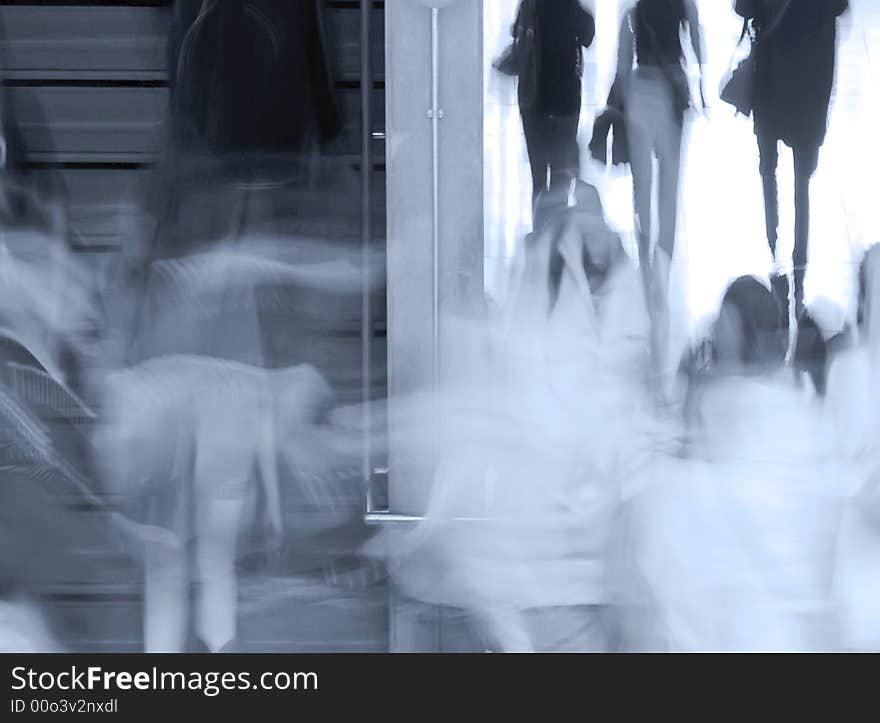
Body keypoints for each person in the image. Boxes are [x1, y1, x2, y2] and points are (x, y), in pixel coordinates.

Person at [734, 0, 849, 317]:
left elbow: (742, 8)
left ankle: (774, 245)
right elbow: (840, 9)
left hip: (770, 82)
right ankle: (799, 262)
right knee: (802, 183)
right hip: (809, 90)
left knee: (767, 169)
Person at [615, 0, 705, 378]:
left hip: (640, 92)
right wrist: (698, 80)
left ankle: (646, 260)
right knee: (670, 187)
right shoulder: (685, 5)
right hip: (671, 94)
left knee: (642, 188)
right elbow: (698, 42)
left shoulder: (634, 13)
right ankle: (661, 273)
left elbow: (622, 67)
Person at [509, 0, 595, 205]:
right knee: (560, 177)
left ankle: (541, 231)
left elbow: (517, 34)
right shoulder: (571, 6)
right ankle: (558, 233)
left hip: (533, 100)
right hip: (565, 100)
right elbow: (588, 36)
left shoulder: (529, 5)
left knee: (538, 178)